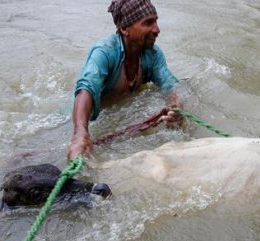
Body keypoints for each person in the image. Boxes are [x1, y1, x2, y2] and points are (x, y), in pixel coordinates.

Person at [67, 0, 183, 160]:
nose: (157, 29)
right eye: (148, 23)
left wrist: (175, 107)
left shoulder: (153, 55)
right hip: (75, 116)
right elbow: (86, 89)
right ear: (124, 29)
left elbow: (170, 85)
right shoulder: (104, 53)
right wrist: (80, 132)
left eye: (156, 21)